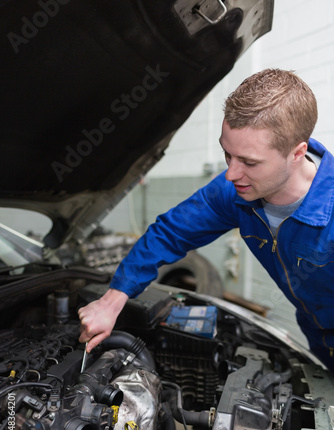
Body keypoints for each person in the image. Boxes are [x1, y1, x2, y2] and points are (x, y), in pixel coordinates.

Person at [79, 68, 334, 373]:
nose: (231, 174)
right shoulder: (234, 192)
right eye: (228, 154)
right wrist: (113, 299)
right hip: (316, 332)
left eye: (249, 162)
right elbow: (170, 232)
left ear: (297, 153)